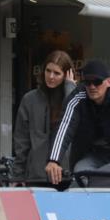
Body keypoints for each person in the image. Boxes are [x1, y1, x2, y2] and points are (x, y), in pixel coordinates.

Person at [45, 59, 110, 184]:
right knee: (80, 175)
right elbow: (64, 125)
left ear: (108, 82)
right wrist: (54, 160)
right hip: (95, 155)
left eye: (97, 82)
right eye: (87, 82)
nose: (92, 86)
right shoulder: (78, 96)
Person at [12, 51, 77, 185]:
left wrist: (70, 91)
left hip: (66, 175)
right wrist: (18, 176)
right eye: (48, 71)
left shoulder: (74, 99)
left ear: (66, 75)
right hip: (36, 175)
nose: (51, 76)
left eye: (57, 73)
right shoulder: (30, 99)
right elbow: (21, 141)